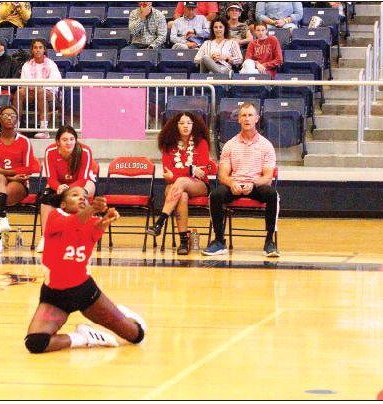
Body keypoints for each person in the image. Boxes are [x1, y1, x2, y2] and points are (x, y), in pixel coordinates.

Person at [24, 187, 146, 354]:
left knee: (136, 335)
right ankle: (84, 337)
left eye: (85, 197)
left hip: (84, 292)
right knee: (36, 343)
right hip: (54, 297)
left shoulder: (91, 220)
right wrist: (93, 208)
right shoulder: (55, 216)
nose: (82, 199)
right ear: (63, 204)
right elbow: (73, 223)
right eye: (75, 195)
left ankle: (125, 315)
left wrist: (108, 219)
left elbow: (94, 227)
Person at [203, 102, 279, 257]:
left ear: (257, 118)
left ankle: (269, 241)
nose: (247, 119)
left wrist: (253, 184)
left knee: (272, 195)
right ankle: (219, 241)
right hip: (235, 184)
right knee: (215, 195)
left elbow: (268, 177)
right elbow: (223, 175)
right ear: (238, 119)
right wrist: (232, 183)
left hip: (256, 185)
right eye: (243, 115)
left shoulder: (266, 145)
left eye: (250, 115)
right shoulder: (230, 145)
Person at [146, 113, 211, 255]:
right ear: (175, 126)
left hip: (199, 185)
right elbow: (167, 175)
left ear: (194, 125)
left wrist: (178, 173)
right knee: (182, 196)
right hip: (175, 186)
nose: (186, 126)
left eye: (189, 123)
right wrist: (191, 170)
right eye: (182, 123)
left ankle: (160, 221)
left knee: (180, 181)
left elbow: (203, 171)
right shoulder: (168, 145)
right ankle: (183, 241)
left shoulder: (202, 143)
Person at [0, 105, 39, 254]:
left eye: (13, 116)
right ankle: (1, 221)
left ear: (17, 120)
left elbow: (28, 169)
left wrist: (5, 172)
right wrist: (11, 174)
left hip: (19, 184)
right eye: (6, 115)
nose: (9, 118)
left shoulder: (24, 141)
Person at [37, 126, 96, 253]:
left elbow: (83, 178)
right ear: (57, 142)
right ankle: (46, 237)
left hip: (82, 182)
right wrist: (58, 187)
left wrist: (68, 189)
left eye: (71, 139)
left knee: (80, 196)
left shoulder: (85, 151)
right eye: (64, 139)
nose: (69, 142)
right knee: (46, 197)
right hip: (59, 183)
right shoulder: (50, 151)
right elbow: (51, 178)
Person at [15, 39, 62, 139]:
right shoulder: (27, 65)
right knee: (19, 92)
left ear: (44, 50)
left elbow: (55, 82)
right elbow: (23, 82)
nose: (38, 50)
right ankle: (16, 127)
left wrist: (39, 87)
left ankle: (43, 129)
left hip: (49, 93)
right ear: (32, 50)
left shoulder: (51, 64)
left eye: (40, 47)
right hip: (31, 92)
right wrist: (32, 87)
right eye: (35, 48)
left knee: (41, 91)